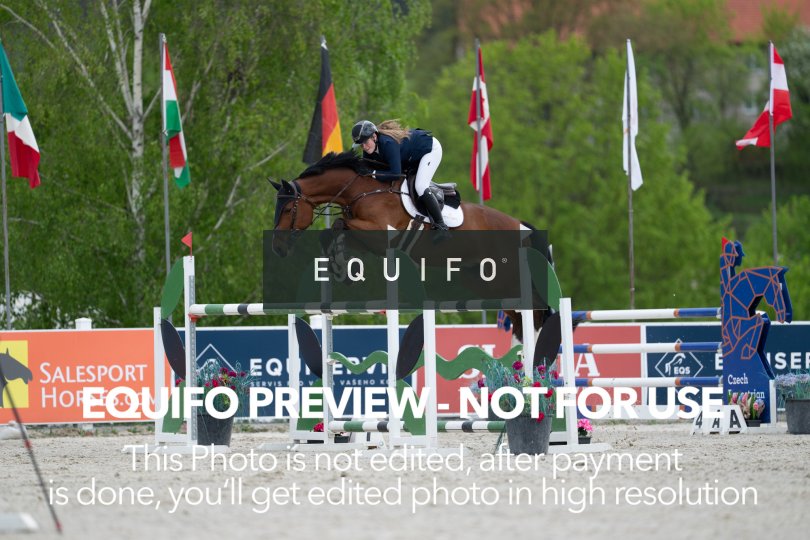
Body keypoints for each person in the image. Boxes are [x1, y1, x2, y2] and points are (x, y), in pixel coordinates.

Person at [351, 119, 448, 231]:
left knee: (420, 186)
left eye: (365, 142)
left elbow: (396, 174)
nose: (364, 147)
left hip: (429, 150)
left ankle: (441, 225)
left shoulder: (388, 143)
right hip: (411, 157)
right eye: (361, 145)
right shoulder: (369, 150)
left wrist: (372, 173)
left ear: (374, 136)